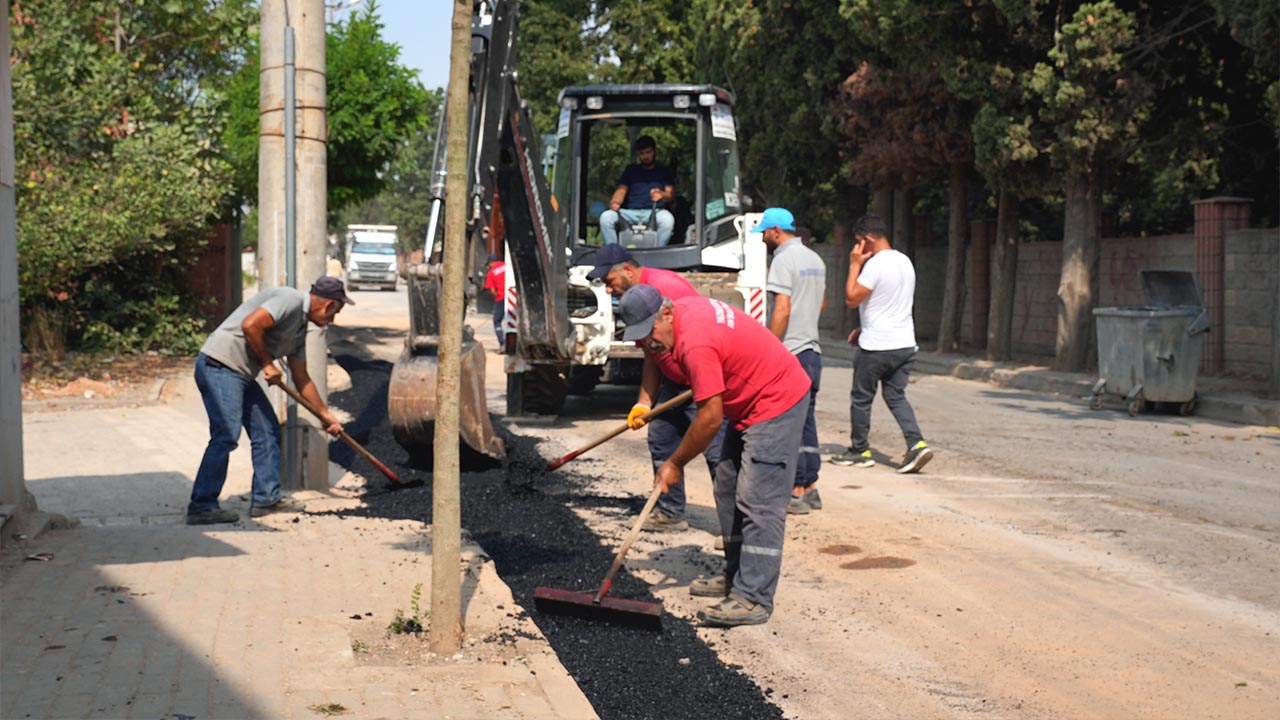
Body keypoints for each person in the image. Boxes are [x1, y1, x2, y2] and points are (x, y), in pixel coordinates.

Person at [618, 284, 811, 627]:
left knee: (759, 499)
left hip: (776, 401)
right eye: (641, 338)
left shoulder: (696, 343)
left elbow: (709, 418)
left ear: (666, 312)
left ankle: (753, 596)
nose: (650, 343)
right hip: (747, 401)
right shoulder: (680, 317)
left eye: (651, 333)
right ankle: (737, 576)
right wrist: (643, 402)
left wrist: (674, 463)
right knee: (726, 483)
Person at [186, 277, 353, 525]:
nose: (333, 320)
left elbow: (301, 377)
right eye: (335, 313)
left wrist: (325, 415)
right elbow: (251, 325)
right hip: (219, 366)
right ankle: (202, 506)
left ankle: (266, 499)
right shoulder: (290, 299)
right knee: (226, 434)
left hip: (240, 374)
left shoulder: (298, 332)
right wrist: (267, 363)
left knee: (267, 430)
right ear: (328, 305)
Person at [586, 244, 726, 532]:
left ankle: (733, 528)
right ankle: (669, 512)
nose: (608, 290)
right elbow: (652, 356)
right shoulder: (633, 301)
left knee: (717, 453)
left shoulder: (667, 289)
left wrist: (699, 383)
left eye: (609, 282)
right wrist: (643, 404)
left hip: (699, 379)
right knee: (662, 440)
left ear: (627, 270)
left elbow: (700, 336)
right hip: (674, 381)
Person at [830, 215, 934, 473]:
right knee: (895, 395)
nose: (858, 249)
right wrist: (863, 328)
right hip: (904, 343)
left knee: (861, 398)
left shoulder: (875, 265)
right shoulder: (905, 261)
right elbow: (887, 302)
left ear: (868, 239)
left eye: (859, 243)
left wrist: (854, 264)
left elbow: (852, 298)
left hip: (878, 346)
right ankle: (917, 444)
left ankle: (859, 450)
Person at [755, 208, 827, 514]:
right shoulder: (814, 258)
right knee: (807, 421)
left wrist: (769, 348)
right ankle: (810, 486)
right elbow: (822, 302)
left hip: (791, 353)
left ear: (775, 230)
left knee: (788, 424)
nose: (762, 238)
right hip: (812, 351)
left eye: (763, 232)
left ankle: (795, 490)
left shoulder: (783, 260)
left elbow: (781, 309)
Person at [598, 135, 676, 246]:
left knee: (667, 220)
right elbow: (621, 190)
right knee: (606, 218)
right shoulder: (631, 170)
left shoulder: (663, 171)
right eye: (642, 153)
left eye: (648, 152)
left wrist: (661, 195)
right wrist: (615, 202)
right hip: (630, 213)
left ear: (655, 152)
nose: (645, 156)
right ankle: (615, 253)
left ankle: (657, 252)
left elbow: (671, 194)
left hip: (655, 211)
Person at [483, 253, 506, 348]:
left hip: (501, 297)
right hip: (513, 296)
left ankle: (502, 343)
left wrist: (497, 298)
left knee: (497, 321)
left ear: (490, 263)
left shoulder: (491, 273)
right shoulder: (506, 265)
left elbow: (492, 291)